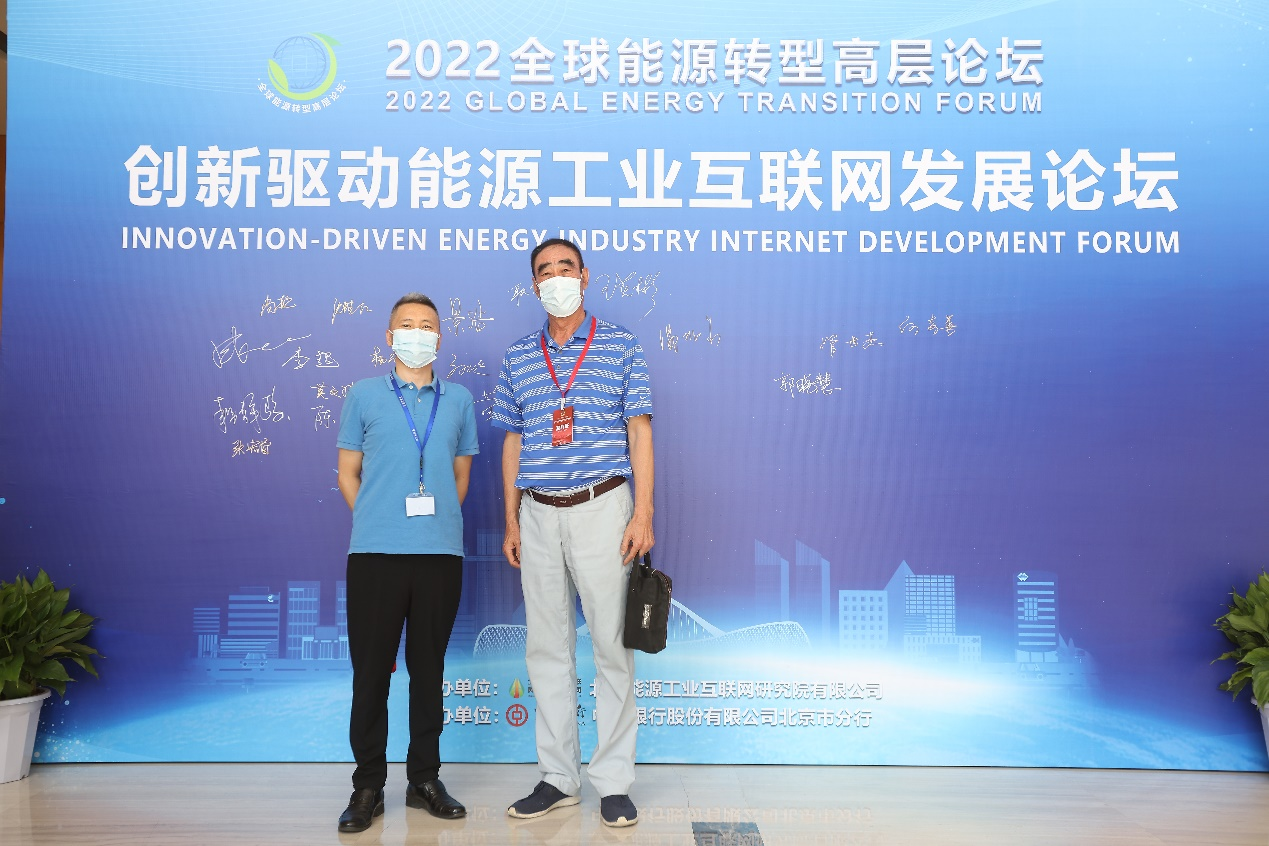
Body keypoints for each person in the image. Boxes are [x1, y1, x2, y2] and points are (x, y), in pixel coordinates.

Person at [492, 238, 655, 828]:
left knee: (611, 646)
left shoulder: (620, 345)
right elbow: (513, 440)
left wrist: (643, 513)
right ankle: (558, 778)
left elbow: (639, 431)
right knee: (546, 648)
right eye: (545, 270)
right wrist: (511, 517)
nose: (556, 277)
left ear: (585, 276)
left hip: (602, 508)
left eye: (566, 267)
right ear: (534, 284)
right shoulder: (518, 356)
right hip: (537, 512)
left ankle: (613, 782)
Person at [334, 293, 479, 832]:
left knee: (428, 670)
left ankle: (424, 779)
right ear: (389, 336)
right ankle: (368, 785)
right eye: (407, 324)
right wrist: (378, 519)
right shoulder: (363, 395)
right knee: (371, 671)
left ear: (439, 337)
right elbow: (348, 473)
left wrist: (428, 526)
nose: (418, 333)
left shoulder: (458, 399)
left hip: (439, 555)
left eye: (427, 325)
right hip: (375, 555)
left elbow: (459, 478)